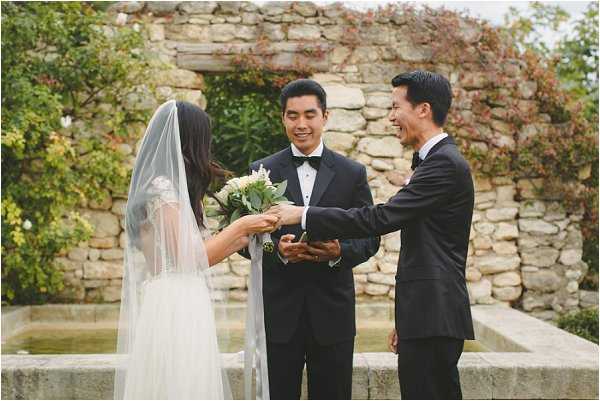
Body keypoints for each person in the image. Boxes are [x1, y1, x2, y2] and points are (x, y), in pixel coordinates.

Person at [269, 71, 475, 400]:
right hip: (425, 314)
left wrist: (303, 214)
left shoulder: (444, 164)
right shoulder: (433, 162)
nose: (391, 116)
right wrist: (407, 321)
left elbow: (381, 218)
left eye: (396, 107)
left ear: (422, 109)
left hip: (435, 313)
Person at [114, 100, 278, 399]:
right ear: (190, 139)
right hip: (175, 304)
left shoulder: (171, 189)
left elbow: (196, 255)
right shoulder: (163, 189)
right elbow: (188, 259)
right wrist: (240, 228)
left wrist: (245, 233)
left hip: (178, 297)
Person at [243, 79, 380, 399]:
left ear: (325, 117)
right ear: (283, 118)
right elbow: (245, 241)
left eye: (309, 114)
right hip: (279, 314)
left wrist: (338, 251)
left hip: (333, 313)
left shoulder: (352, 173)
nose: (301, 124)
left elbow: (370, 238)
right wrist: (275, 249)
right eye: (292, 116)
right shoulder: (260, 170)